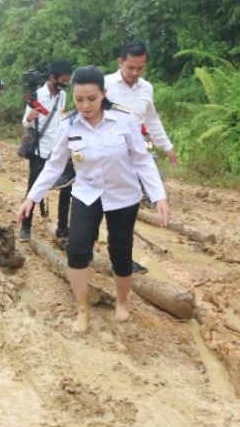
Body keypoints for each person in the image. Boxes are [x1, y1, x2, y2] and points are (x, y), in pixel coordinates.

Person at [17, 66, 170, 333]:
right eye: (79, 99)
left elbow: (142, 160)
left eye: (92, 99)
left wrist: (159, 196)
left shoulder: (124, 120)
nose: (85, 105)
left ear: (104, 94)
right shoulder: (68, 123)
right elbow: (54, 165)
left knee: (120, 252)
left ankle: (122, 302)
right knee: (76, 250)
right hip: (87, 193)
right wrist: (32, 197)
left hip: (123, 195)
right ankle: (82, 309)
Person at [103, 40, 177, 274]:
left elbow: (152, 119)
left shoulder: (146, 88)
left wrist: (167, 146)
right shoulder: (104, 84)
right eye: (130, 68)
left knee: (127, 210)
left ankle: (123, 260)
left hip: (133, 157)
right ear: (120, 62)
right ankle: (82, 247)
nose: (135, 73)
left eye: (140, 68)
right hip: (107, 158)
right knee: (99, 208)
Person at [20, 60, 72, 242]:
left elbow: (61, 118)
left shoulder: (62, 95)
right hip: (39, 150)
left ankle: (62, 228)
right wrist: (30, 117)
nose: (65, 84)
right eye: (63, 80)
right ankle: (25, 226)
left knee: (67, 188)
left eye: (67, 81)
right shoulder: (36, 95)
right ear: (52, 78)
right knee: (34, 188)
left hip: (58, 149)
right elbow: (25, 122)